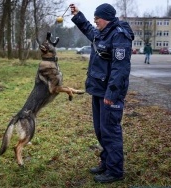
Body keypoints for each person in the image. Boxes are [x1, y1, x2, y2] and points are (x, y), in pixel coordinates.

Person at [70, 3, 134, 183]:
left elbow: (120, 69)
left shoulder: (119, 35)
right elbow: (88, 29)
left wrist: (112, 94)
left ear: (105, 18)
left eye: (97, 18)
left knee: (110, 131)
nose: (95, 21)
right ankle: (106, 163)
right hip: (98, 90)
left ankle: (115, 171)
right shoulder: (102, 33)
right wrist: (78, 15)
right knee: (100, 130)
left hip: (109, 94)